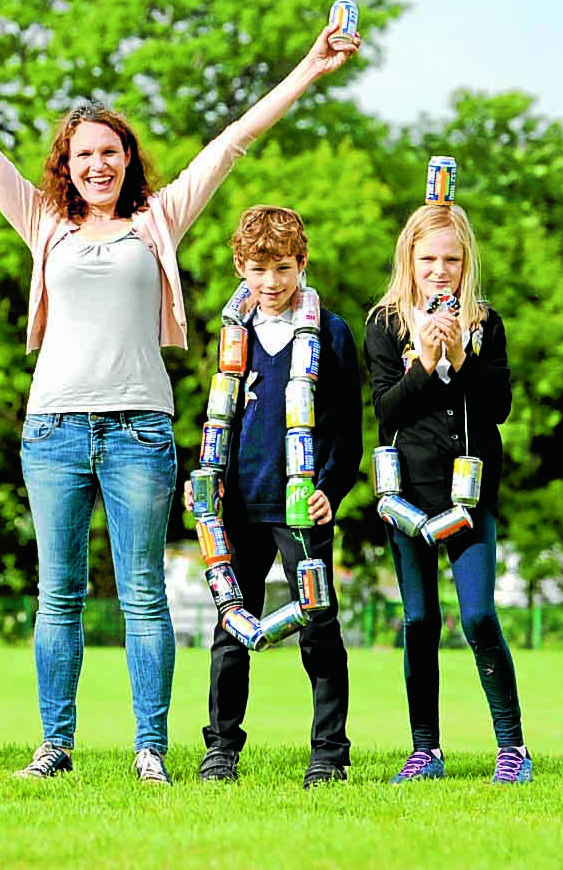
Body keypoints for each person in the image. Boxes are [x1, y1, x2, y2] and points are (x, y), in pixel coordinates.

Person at [0, 14, 359, 784]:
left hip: (139, 430)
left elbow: (231, 142)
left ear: (126, 161)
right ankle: (55, 745)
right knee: (60, 595)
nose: (97, 164)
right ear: (65, 163)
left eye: (109, 152)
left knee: (144, 595)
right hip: (51, 430)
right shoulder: (43, 224)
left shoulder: (158, 223)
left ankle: (149, 749)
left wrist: (310, 68)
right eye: (83, 154)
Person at [364, 203, 532, 784]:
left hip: (470, 489)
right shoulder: (384, 324)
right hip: (406, 492)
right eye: (429, 258)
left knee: (480, 615)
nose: (440, 270)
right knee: (418, 619)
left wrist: (459, 355)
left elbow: (498, 409)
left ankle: (512, 748)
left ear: (466, 265)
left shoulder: (486, 323)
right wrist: (424, 363)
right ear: (409, 259)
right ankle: (425, 749)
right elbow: (387, 410)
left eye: (452, 260)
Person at [196, 206, 361, 788]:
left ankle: (329, 753)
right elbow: (217, 420)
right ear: (241, 266)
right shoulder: (230, 337)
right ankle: (221, 748)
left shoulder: (331, 333)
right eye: (259, 268)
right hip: (239, 504)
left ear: (302, 264)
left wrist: (330, 490)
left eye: (283, 268)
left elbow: (346, 429)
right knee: (228, 630)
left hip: (300, 507)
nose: (271, 281)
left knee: (319, 626)